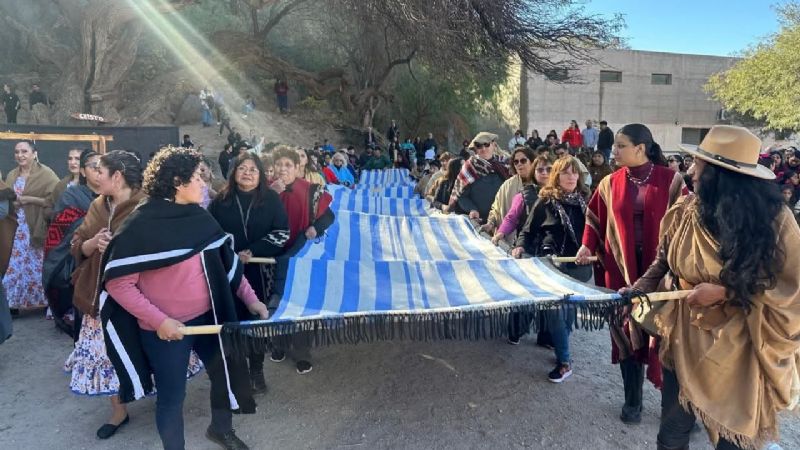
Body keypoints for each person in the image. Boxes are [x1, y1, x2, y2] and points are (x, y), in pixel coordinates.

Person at [628, 125, 800, 450]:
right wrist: (639, 288)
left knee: (732, 439)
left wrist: (724, 293)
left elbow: (791, 288)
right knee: (670, 434)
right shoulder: (685, 210)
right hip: (683, 339)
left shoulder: (776, 223)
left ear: (722, 176)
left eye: (700, 166)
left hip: (738, 347)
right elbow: (662, 260)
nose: (690, 171)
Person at [101, 147, 264, 450]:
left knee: (223, 374)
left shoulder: (199, 217)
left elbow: (227, 263)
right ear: (177, 181)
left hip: (208, 318)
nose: (204, 183)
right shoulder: (140, 226)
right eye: (198, 177)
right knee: (172, 397)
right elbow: (119, 286)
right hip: (165, 330)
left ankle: (220, 428)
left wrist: (252, 300)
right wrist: (160, 321)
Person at [66, 150, 203, 441]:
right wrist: (91, 243)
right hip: (99, 295)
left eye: (98, 170)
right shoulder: (97, 206)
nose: (92, 175)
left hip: (140, 295)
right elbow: (77, 243)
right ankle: (119, 411)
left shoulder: (147, 206)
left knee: (146, 347)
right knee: (107, 354)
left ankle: (158, 395)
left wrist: (123, 250)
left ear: (116, 176)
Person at [575, 123, 683, 425]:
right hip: (619, 271)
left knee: (665, 336)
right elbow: (594, 217)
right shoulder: (609, 183)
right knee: (625, 331)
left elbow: (688, 225)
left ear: (641, 149)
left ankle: (672, 410)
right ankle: (632, 401)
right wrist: (587, 245)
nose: (614, 150)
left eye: (620, 145)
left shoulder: (672, 181)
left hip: (661, 273)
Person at [209, 153, 290, 394]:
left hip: (260, 273)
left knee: (256, 324)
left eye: (253, 169)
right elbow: (211, 235)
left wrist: (252, 250)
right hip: (228, 272)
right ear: (233, 172)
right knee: (233, 323)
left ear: (261, 174)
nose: (247, 172)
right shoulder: (220, 201)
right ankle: (238, 376)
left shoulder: (272, 199)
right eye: (242, 168)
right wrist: (231, 252)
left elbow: (282, 233)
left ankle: (257, 370)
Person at [511, 156, 591, 382]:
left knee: (567, 316)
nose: (571, 177)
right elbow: (527, 231)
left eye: (575, 172)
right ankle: (565, 362)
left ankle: (561, 350)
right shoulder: (545, 201)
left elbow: (599, 233)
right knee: (557, 313)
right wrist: (519, 247)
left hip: (579, 267)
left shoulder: (588, 201)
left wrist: (592, 250)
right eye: (566, 172)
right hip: (550, 265)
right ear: (557, 175)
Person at [270, 147, 335, 374]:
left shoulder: (311, 190)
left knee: (299, 302)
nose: (283, 169)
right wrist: (270, 193)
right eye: (279, 164)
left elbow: (329, 216)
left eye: (288, 165)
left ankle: (301, 353)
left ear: (298, 168)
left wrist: (315, 228)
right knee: (274, 305)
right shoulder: (265, 188)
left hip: (299, 254)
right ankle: (278, 344)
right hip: (268, 254)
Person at [43, 149, 99, 337]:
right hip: (79, 262)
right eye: (93, 166)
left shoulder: (115, 195)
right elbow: (60, 229)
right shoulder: (72, 195)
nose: (99, 171)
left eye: (103, 167)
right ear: (83, 171)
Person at [3, 141, 59, 313]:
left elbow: (55, 200)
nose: (20, 155)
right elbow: (6, 196)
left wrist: (29, 200)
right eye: (17, 152)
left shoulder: (46, 174)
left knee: (36, 266)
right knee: (13, 266)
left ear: (34, 154)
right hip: (15, 228)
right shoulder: (12, 175)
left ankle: (42, 302)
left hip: (35, 226)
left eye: (24, 151)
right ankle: (11, 304)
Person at [445, 132, 509, 221]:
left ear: (493, 145)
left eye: (486, 144)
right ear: (475, 149)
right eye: (479, 146)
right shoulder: (469, 167)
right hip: (478, 221)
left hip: (503, 219)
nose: (483, 148)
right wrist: (472, 209)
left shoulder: (505, 165)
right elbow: (461, 196)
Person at [483, 146, 536, 241]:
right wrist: (490, 224)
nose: (519, 164)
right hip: (507, 241)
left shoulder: (540, 184)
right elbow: (496, 209)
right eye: (516, 162)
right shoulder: (507, 185)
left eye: (523, 160)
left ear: (532, 162)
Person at [47, 148, 83, 221]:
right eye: (70, 159)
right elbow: (49, 205)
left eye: (77, 159)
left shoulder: (91, 183)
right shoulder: (62, 184)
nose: (73, 162)